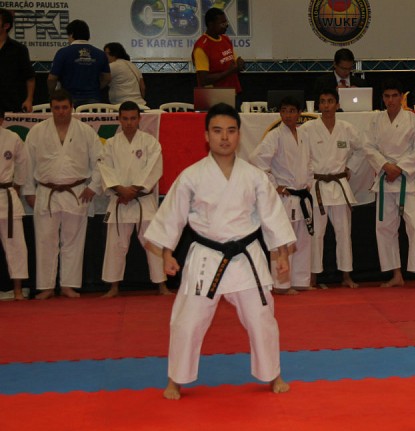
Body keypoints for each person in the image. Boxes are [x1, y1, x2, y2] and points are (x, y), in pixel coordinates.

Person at [144, 103, 295, 400]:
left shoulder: (254, 176)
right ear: (206, 136)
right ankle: (176, 379)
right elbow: (172, 216)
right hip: (206, 256)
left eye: (231, 131)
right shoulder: (191, 176)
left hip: (246, 256)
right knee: (187, 321)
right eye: (217, 131)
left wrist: (280, 254)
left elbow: (273, 217)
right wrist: (167, 253)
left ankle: (273, 374)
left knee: (262, 318)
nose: (224, 137)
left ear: (239, 135)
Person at [25, 90, 103, 299]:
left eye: (65, 107)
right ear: (51, 108)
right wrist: (29, 191)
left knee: (73, 241)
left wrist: (93, 186)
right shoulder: (37, 131)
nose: (61, 112)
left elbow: (100, 161)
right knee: (45, 241)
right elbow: (27, 163)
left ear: (72, 108)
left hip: (76, 191)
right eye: (57, 108)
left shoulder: (85, 131)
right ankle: (46, 286)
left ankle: (68, 285)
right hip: (46, 191)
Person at [364, 79, 415, 290]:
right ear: (382, 98)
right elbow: (368, 147)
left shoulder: (414, 121)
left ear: (402, 97)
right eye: (387, 96)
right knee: (385, 227)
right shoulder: (376, 121)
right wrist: (385, 166)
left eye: (395, 96)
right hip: (385, 179)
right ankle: (396, 274)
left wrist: (399, 168)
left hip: (406, 180)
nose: (391, 100)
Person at [97, 101, 169, 298]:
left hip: (143, 200)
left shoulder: (150, 142)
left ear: (139, 119)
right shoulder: (110, 144)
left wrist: (134, 191)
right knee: (115, 246)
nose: (129, 123)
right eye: (125, 119)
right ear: (119, 119)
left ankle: (162, 285)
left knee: (153, 243)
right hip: (120, 200)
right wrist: (121, 190)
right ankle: (113, 286)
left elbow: (154, 168)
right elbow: (105, 169)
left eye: (132, 118)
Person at [249, 96, 313, 294]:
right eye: (284, 111)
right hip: (285, 196)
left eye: (292, 111)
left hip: (301, 194)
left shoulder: (303, 135)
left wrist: (309, 182)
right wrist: (274, 185)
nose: (287, 115)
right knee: (283, 239)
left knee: (302, 240)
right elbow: (256, 159)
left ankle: (300, 280)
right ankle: (281, 284)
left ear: (299, 113)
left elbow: (310, 162)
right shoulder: (274, 136)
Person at [301, 88, 361, 289]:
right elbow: (301, 155)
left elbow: (362, 149)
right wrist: (308, 176)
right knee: (316, 234)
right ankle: (312, 277)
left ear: (337, 104)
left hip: (339, 185)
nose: (326, 106)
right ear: (318, 105)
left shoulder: (346, 128)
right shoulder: (307, 129)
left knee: (344, 233)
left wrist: (350, 167)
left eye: (330, 101)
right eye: (323, 101)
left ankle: (346, 275)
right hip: (317, 186)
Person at [0, 109, 32, 300]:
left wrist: (18, 184)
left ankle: (18, 289)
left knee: (16, 245)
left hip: (6, 194)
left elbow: (23, 163)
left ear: (2, 120)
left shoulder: (12, 138)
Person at [48, 20, 110, 106]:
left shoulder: (63, 53)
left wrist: (52, 93)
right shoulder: (100, 54)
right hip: (93, 98)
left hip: (69, 98)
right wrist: (95, 88)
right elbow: (107, 78)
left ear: (71, 34)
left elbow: (51, 79)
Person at [192, 7, 244, 94]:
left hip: (232, 91)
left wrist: (239, 62)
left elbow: (234, 60)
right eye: (222, 23)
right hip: (213, 96)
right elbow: (204, 80)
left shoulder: (225, 39)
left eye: (226, 22)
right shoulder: (201, 47)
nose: (226, 26)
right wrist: (229, 72)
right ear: (211, 24)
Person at [0, 8, 35, 113]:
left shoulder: (19, 49)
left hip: (12, 104)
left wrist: (29, 100)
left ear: (6, 26)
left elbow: (30, 78)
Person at [104, 42, 146, 107]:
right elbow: (142, 87)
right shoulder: (133, 65)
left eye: (106, 53)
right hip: (140, 103)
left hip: (122, 105)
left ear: (113, 54)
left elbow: (103, 80)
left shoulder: (113, 66)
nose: (104, 56)